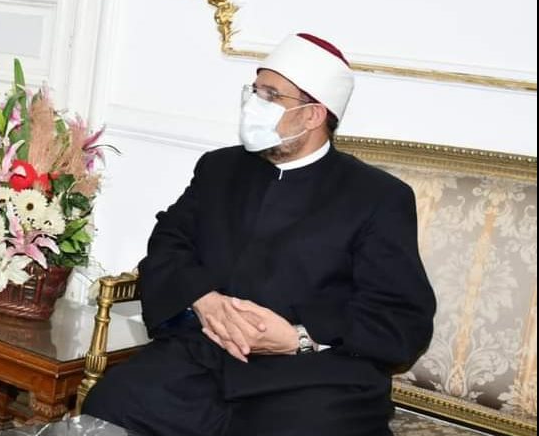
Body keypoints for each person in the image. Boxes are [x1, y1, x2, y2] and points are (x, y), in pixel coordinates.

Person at [83, 33, 436, 436]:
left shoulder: (377, 197)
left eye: (270, 95)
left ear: (312, 115)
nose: (254, 103)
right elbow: (168, 244)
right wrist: (204, 300)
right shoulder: (219, 169)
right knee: (112, 403)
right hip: (206, 358)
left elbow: (401, 318)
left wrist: (298, 338)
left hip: (313, 377)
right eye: (254, 90)